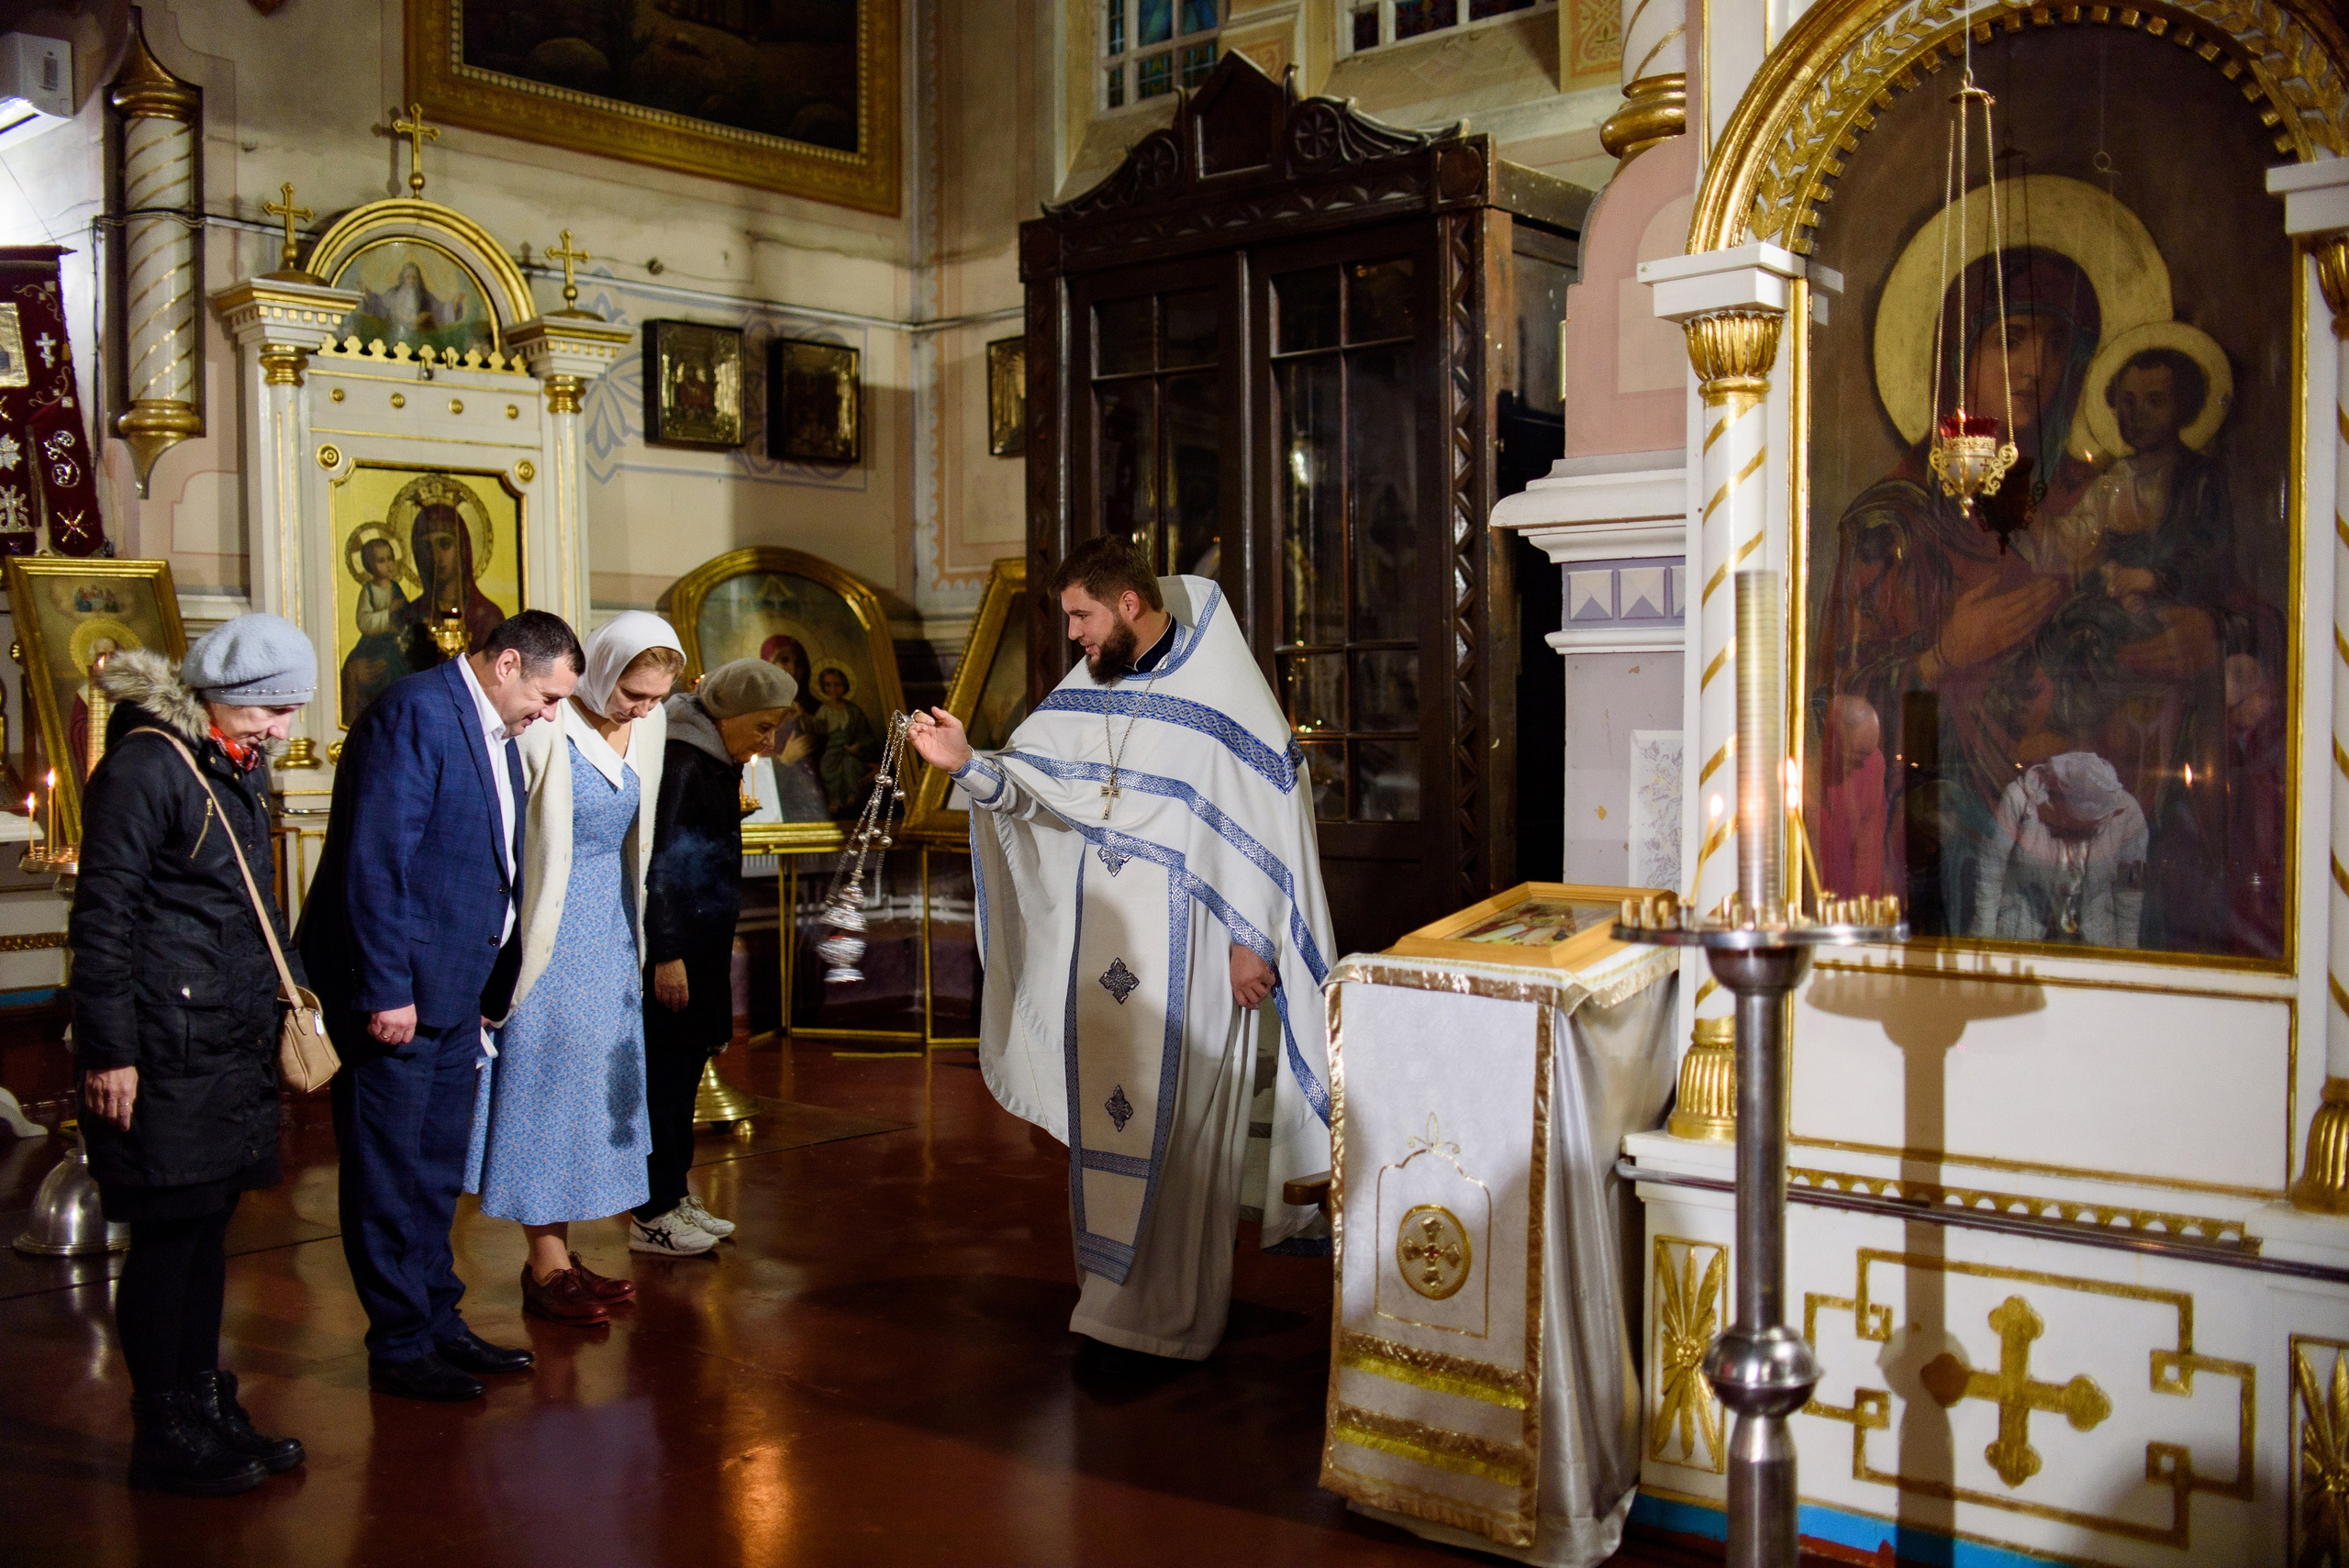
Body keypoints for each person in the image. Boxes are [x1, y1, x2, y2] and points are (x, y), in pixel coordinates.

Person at [907, 537, 1334, 1361]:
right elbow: (1036, 788)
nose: (1073, 634)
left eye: (1081, 615)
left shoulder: (1224, 692)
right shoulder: (1090, 687)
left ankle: (1174, 1321)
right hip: (1106, 942)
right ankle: (1108, 1308)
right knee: (1117, 1115)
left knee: (1183, 1138)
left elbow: (1266, 830)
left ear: (1129, 603)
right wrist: (965, 764)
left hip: (1202, 946)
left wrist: (1253, 942)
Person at [298, 609, 583, 1402]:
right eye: (548, 694)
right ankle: (398, 1341)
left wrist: (491, 988)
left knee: (431, 1172)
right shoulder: (416, 711)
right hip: (402, 995)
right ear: (508, 663)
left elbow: (486, 860)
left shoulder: (487, 722)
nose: (551, 712)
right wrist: (387, 987)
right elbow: (377, 860)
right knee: (389, 1171)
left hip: (457, 993)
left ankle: (436, 1320)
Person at [70, 614, 317, 1495]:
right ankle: (163, 1426)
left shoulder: (229, 765)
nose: (283, 728)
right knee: (168, 1236)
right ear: (227, 696)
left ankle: (206, 1403)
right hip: (162, 1049)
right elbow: (103, 920)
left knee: (207, 1231)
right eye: (274, 708)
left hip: (223, 1041)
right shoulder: (145, 768)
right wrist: (110, 1054)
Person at [465, 613, 687, 1321]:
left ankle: (558, 1254)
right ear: (600, 669)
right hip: (546, 930)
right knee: (544, 1086)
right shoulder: (545, 720)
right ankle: (544, 1261)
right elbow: (507, 829)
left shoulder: (649, 727)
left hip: (614, 931)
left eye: (655, 697)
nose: (644, 708)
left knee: (591, 1092)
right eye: (633, 692)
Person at [636, 658, 800, 1251]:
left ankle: (675, 1194)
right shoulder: (685, 759)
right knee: (667, 1081)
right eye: (761, 726)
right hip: (677, 946)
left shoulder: (713, 758)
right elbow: (665, 866)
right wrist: (668, 953)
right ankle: (653, 1212)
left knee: (684, 1075)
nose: (770, 741)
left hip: (699, 940)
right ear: (726, 715)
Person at [1972, 751, 2147, 948]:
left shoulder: (2127, 814)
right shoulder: (2019, 800)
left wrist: (2127, 952)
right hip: (2021, 934)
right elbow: (1990, 869)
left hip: (2097, 943)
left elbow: (2129, 888)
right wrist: (1982, 941)